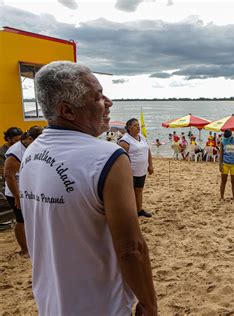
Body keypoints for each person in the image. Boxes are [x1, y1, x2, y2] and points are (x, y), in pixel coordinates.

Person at [20, 61, 157, 315]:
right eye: (97, 97)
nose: (108, 102)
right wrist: (149, 304)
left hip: (51, 300)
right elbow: (131, 248)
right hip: (101, 304)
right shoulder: (107, 157)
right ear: (68, 111)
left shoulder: (32, 152)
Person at [4, 126, 43, 257]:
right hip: (16, 191)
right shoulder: (15, 152)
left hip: (31, 189)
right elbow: (9, 176)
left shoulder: (35, 146)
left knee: (34, 219)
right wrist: (17, 197)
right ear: (29, 138)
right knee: (21, 220)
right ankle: (24, 249)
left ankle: (35, 246)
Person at [119, 118, 154, 218]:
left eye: (138, 125)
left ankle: (139, 210)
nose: (138, 127)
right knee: (129, 193)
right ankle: (130, 212)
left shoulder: (141, 137)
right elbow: (121, 158)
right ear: (129, 128)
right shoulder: (124, 141)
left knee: (139, 191)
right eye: (135, 125)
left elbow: (148, 150)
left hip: (141, 170)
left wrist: (150, 165)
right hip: (130, 172)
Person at [219, 129, 234, 200]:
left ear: (231, 136)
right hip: (225, 164)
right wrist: (220, 164)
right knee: (223, 181)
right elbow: (221, 154)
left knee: (233, 182)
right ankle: (222, 197)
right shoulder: (222, 141)